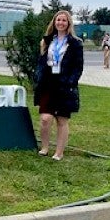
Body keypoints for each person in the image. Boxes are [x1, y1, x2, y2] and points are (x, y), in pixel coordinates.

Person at [34, 10, 84, 161]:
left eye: (64, 20)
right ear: (54, 22)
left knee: (61, 120)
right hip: (48, 83)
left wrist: (71, 82)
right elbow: (41, 62)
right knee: (45, 119)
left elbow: (78, 67)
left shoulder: (75, 43)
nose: (60, 23)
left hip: (64, 85)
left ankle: (59, 152)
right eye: (58, 20)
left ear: (68, 23)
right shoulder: (47, 41)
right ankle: (45, 147)